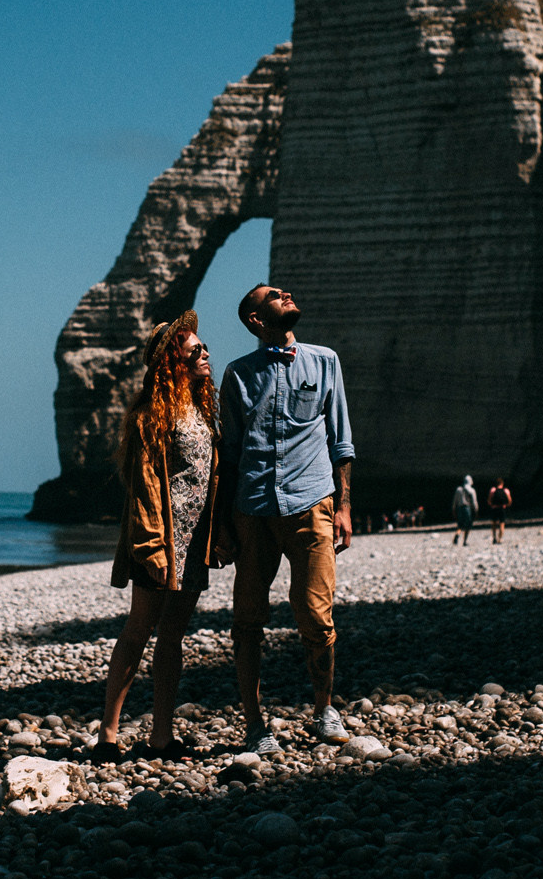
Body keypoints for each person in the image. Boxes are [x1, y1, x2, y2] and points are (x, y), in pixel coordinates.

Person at [222, 284, 356, 754]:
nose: (287, 294)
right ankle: (256, 727)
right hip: (252, 509)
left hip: (312, 503)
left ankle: (324, 710)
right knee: (247, 621)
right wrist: (223, 527)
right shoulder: (238, 374)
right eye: (273, 296)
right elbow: (231, 454)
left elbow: (341, 439)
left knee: (317, 617)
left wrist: (343, 507)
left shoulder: (325, 361)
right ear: (256, 320)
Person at [96, 311, 221, 761]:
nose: (205, 353)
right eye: (195, 350)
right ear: (174, 360)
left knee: (173, 636)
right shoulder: (154, 413)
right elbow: (144, 486)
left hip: (196, 543)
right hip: (163, 542)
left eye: (204, 347)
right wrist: (149, 546)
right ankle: (108, 736)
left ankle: (161, 735)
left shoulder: (206, 407)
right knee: (138, 630)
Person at [452, 475, 478, 545]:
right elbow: (474, 502)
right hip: (467, 508)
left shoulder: (458, 489)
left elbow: (455, 501)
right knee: (468, 525)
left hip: (460, 508)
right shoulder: (472, 490)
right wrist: (476, 510)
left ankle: (457, 534)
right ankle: (465, 541)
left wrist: (454, 508)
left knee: (460, 524)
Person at [486, 478, 512, 543]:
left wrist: (491, 505)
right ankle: (500, 538)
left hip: (494, 508)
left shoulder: (493, 490)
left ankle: (494, 537)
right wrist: (507, 505)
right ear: (502, 483)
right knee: (502, 524)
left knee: (494, 523)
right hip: (502, 508)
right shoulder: (506, 490)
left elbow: (489, 500)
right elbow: (509, 500)